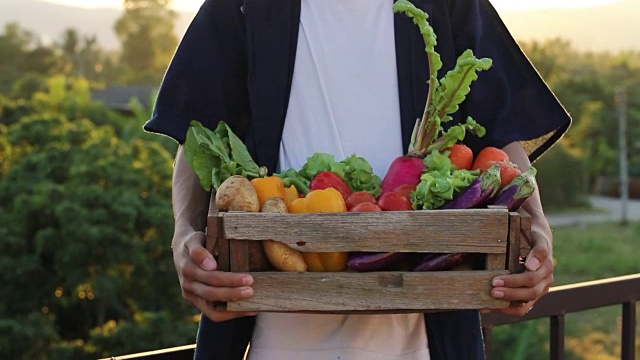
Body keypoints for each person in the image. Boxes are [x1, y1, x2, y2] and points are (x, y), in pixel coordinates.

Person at [145, 0, 571, 358]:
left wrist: (538, 230)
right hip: (275, 332)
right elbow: (196, 131)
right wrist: (184, 235)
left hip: (426, 337)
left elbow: (503, 131)